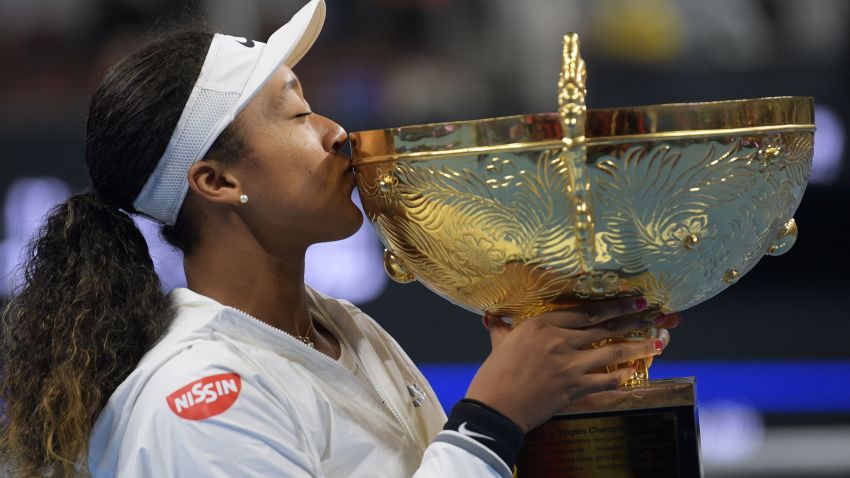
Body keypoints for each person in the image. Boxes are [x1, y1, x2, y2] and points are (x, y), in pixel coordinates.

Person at [0, 1, 679, 476]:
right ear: (217, 180)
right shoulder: (197, 398)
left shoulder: (349, 332)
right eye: (296, 114)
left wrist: (552, 405)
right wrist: (491, 418)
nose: (336, 133)